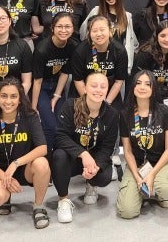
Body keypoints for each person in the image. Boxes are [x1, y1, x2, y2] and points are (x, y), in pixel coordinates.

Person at [0, 79, 51, 229]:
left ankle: (38, 206)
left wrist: (16, 163)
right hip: (0, 172)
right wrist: (4, 177)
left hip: (23, 169)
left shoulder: (30, 116)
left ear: (20, 99)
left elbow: (43, 148)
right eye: (4, 96)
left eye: (13, 96)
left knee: (42, 164)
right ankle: (6, 198)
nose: (8, 101)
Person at [52, 72, 120, 223]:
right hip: (73, 158)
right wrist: (82, 154)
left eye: (103, 86)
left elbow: (108, 147)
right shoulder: (70, 105)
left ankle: (91, 184)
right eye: (94, 86)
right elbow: (60, 136)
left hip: (94, 159)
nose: (98, 90)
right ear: (85, 88)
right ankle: (63, 200)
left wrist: (96, 167)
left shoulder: (112, 114)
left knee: (104, 177)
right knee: (58, 156)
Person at [117, 70, 168, 219]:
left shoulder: (164, 112)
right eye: (138, 83)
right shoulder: (125, 115)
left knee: (166, 190)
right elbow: (127, 151)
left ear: (153, 88)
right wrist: (139, 178)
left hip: (161, 163)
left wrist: (151, 174)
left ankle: (159, 192)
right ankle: (142, 188)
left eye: (147, 84)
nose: (142, 87)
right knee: (127, 212)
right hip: (138, 165)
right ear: (132, 87)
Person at [31, 12, 79, 151]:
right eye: (60, 26)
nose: (63, 30)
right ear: (52, 28)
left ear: (73, 28)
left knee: (63, 123)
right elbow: (37, 81)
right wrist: (34, 108)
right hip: (41, 88)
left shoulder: (73, 46)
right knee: (50, 125)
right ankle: (48, 155)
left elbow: (65, 72)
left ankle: (60, 155)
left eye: (67, 27)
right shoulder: (42, 49)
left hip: (58, 86)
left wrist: (57, 96)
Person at [80, 0, 139, 72]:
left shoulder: (126, 16)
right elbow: (83, 34)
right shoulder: (96, 12)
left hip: (117, 65)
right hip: (95, 63)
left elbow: (132, 44)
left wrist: (127, 66)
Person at [70, 15, 127, 109]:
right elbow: (78, 80)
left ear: (110, 31)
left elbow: (118, 81)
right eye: (94, 31)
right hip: (85, 91)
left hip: (109, 92)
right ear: (89, 33)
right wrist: (89, 101)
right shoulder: (80, 50)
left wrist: (106, 104)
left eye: (102, 29)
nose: (99, 34)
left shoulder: (120, 51)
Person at [131, 20, 168, 109]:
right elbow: (136, 81)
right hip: (147, 100)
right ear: (156, 37)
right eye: (162, 35)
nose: (167, 40)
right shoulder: (145, 55)